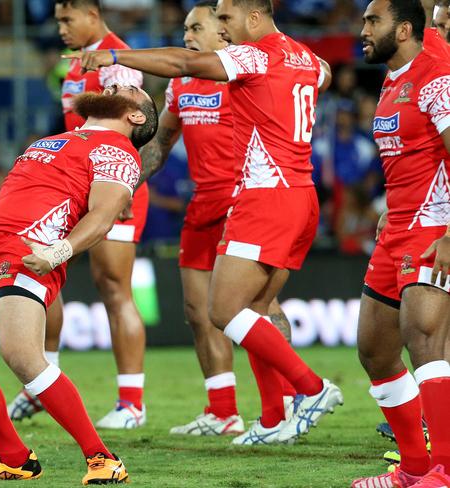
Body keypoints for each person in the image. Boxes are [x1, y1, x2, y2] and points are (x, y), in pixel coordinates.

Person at [71, 0, 344, 445]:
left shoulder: (254, 56)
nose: (219, 27)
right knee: (246, 311)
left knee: (225, 310)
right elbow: (324, 73)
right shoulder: (304, 57)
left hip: (263, 194)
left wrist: (115, 55)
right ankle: (271, 418)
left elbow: (181, 62)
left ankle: (309, 389)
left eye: (224, 19)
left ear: (253, 18)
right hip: (296, 193)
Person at [0, 84, 158, 482]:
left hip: (28, 250)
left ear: (135, 116)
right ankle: (15, 457)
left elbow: (102, 216)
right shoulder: (53, 140)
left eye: (129, 88)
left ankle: (103, 458)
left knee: (22, 355)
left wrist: (56, 253)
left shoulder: (118, 152)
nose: (115, 84)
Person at [138, 0, 296, 440]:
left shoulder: (245, 72)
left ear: (222, 32)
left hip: (246, 201)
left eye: (197, 27)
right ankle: (222, 409)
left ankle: (286, 399)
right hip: (202, 203)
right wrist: (125, 184)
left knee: (258, 308)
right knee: (197, 312)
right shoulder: (181, 86)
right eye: (185, 28)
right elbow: (161, 143)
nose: (188, 34)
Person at [8, 0, 149, 430]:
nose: (61, 28)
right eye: (56, 21)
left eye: (68, 19)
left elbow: (133, 126)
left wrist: (128, 184)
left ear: (92, 15)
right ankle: (39, 380)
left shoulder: (116, 64)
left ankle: (131, 403)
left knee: (113, 287)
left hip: (110, 184)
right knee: (43, 276)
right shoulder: (74, 65)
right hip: (72, 185)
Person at [349, 0, 450, 486]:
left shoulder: (437, 75)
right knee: (374, 348)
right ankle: (412, 467)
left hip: (434, 227)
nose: (363, 30)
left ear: (406, 28)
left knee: (426, 342)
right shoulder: (393, 77)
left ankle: (444, 470)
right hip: (397, 229)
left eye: (373, 22)